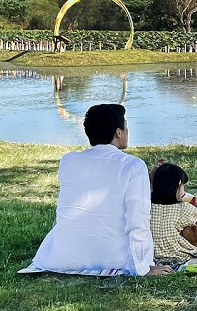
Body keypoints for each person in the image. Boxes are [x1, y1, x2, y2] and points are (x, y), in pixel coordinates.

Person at [25, 103, 170, 276]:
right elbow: (138, 220)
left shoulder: (69, 161)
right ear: (118, 132)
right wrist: (143, 266)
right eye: (126, 126)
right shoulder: (133, 165)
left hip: (62, 256)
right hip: (112, 258)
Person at [150, 162, 197, 260]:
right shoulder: (184, 209)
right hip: (176, 252)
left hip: (153, 251)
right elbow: (196, 229)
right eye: (183, 186)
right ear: (177, 187)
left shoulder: (148, 205)